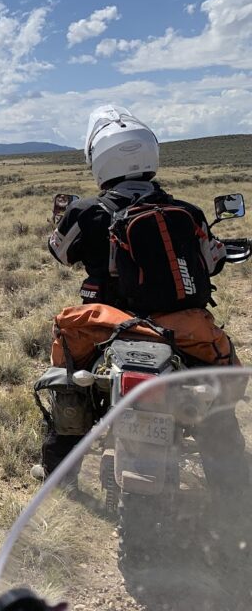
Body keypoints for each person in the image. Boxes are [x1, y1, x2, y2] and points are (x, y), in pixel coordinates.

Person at [41, 105, 243, 480]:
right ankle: (230, 482)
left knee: (70, 379)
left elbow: (60, 252)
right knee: (216, 387)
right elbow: (213, 261)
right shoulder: (187, 211)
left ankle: (59, 473)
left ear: (97, 158)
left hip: (109, 325)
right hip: (179, 326)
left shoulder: (86, 212)